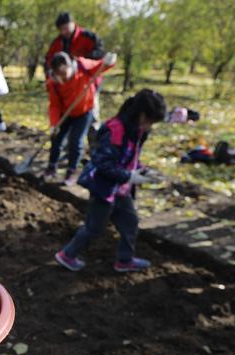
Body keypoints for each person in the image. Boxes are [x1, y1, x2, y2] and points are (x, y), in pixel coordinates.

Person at [55, 89, 167, 272]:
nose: (150, 126)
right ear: (141, 114)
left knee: (130, 223)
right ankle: (67, 255)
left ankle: (124, 260)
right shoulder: (115, 130)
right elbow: (103, 164)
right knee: (94, 227)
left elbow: (130, 156)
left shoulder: (138, 131)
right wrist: (129, 176)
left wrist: (142, 170)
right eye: (150, 121)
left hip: (121, 190)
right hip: (103, 189)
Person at [43, 51, 116, 185]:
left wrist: (109, 61)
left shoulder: (83, 66)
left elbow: (101, 66)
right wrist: (54, 124)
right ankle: (51, 168)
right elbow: (54, 105)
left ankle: (71, 173)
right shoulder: (53, 82)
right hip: (66, 113)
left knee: (76, 141)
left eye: (64, 73)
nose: (63, 78)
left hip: (84, 111)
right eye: (59, 75)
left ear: (69, 66)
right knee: (57, 139)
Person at [44, 12, 106, 129]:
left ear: (73, 23)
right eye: (61, 29)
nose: (65, 31)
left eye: (66, 27)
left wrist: (81, 63)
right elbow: (48, 61)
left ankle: (93, 143)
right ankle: (70, 142)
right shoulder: (57, 43)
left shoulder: (88, 37)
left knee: (91, 114)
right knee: (68, 116)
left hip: (88, 84)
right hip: (66, 88)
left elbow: (100, 53)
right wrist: (50, 82)